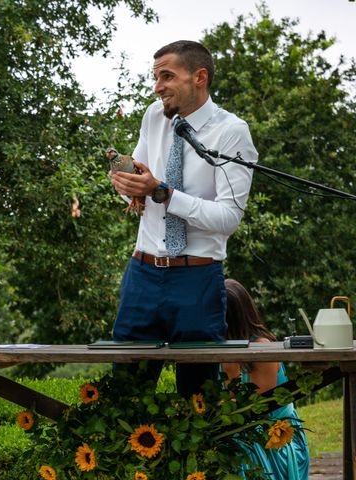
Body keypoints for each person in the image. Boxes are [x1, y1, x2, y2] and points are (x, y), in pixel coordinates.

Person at [109, 40, 258, 395]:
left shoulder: (232, 132)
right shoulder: (153, 116)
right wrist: (126, 184)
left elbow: (228, 218)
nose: (157, 86)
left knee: (197, 399)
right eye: (155, 76)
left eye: (166, 76)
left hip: (197, 279)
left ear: (199, 77)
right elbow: (139, 183)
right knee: (125, 394)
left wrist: (162, 192)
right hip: (142, 274)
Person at [222, 278, 310, 479]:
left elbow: (254, 410)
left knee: (240, 448)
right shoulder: (222, 345)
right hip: (239, 427)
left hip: (274, 434)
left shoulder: (261, 347)